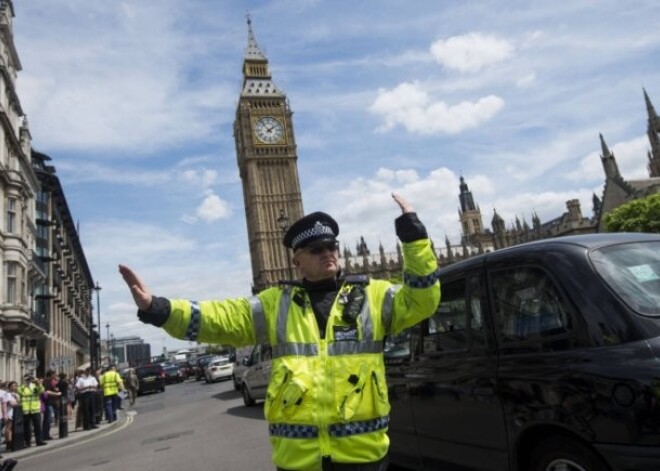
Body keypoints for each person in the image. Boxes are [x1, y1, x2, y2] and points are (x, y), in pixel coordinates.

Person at [120, 193, 441, 471]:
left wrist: (414, 241)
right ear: (296, 261)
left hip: (363, 455)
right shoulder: (276, 305)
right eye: (316, 248)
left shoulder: (372, 295)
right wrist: (158, 309)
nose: (327, 252)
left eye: (331, 245)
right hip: (299, 460)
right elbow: (219, 318)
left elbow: (421, 301)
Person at [18, 374, 46, 447]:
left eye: (31, 379)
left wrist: (39, 383)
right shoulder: (22, 387)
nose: (30, 380)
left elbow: (42, 391)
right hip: (25, 410)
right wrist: (26, 385)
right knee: (26, 427)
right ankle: (27, 442)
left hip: (35, 409)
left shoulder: (35, 386)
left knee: (37, 426)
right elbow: (20, 392)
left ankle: (39, 440)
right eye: (28, 379)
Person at [2, 382, 18, 451]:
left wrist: (16, 398)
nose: (15, 387)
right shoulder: (8, 394)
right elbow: (12, 403)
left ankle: (9, 442)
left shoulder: (13, 394)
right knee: (8, 429)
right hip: (8, 413)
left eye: (15, 386)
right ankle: (8, 443)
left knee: (9, 428)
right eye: (13, 386)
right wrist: (16, 400)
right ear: (10, 387)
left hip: (11, 413)